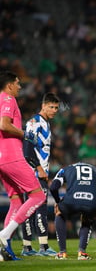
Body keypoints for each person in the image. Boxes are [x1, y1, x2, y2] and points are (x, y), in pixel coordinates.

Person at [0, 71, 46, 261]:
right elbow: (4, 125)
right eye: (17, 83)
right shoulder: (9, 99)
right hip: (12, 155)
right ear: (9, 85)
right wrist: (25, 134)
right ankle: (4, 234)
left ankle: (4, 251)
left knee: (17, 201)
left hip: (2, 157)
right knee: (38, 196)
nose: (20, 87)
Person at [50, 162, 96, 260]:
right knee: (87, 220)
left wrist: (58, 202)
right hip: (91, 202)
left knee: (60, 214)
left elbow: (53, 187)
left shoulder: (65, 169)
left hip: (71, 200)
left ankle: (62, 253)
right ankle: (82, 253)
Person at [20, 92, 60, 257]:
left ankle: (28, 247)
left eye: (56, 107)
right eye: (51, 106)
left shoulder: (44, 123)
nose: (54, 110)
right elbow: (27, 149)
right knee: (40, 207)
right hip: (33, 172)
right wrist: (39, 168)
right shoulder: (35, 122)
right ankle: (43, 246)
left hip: (33, 172)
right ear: (43, 106)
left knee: (29, 209)